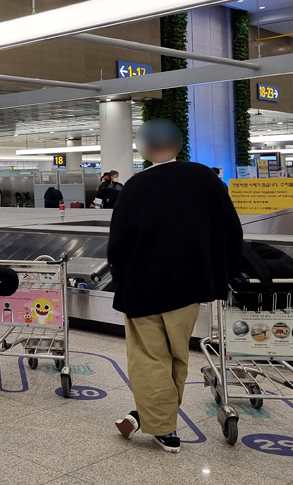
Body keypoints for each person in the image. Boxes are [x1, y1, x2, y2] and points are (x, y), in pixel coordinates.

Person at [109, 119, 243, 452]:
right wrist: (219, 274)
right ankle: (149, 415)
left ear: (144, 148)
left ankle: (163, 427)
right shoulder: (206, 179)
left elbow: (118, 243)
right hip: (190, 285)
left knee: (149, 357)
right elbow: (231, 232)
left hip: (143, 286)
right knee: (176, 354)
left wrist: (120, 275)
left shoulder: (136, 187)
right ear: (179, 144)